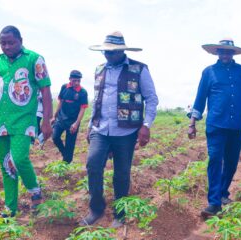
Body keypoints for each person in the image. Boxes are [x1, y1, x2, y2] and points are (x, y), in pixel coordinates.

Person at [0, 25, 53, 217]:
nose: (6, 46)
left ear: (21, 40)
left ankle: (35, 191)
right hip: (0, 122)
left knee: (20, 158)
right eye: (2, 43)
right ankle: (9, 209)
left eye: (11, 42)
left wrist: (47, 120)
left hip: (24, 120)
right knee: (7, 165)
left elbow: (45, 90)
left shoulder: (34, 59)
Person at [80, 31, 159, 228]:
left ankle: (120, 212)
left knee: (121, 173)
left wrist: (146, 126)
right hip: (101, 128)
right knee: (92, 165)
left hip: (126, 130)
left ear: (122, 50)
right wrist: (90, 125)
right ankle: (96, 208)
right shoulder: (100, 69)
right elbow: (97, 99)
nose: (108, 55)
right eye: (105, 51)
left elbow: (151, 99)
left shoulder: (139, 69)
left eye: (112, 52)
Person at [187, 38, 241, 218]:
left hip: (236, 124)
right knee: (215, 159)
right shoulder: (209, 72)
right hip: (215, 124)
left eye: (229, 51)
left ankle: (222, 192)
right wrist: (192, 123)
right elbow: (200, 98)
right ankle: (214, 203)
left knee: (231, 162)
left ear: (233, 53)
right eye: (222, 51)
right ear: (217, 53)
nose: (225, 54)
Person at [51, 70, 88, 164]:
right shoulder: (64, 87)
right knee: (55, 137)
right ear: (70, 79)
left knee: (70, 145)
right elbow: (61, 102)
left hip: (73, 122)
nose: (77, 83)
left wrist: (76, 123)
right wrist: (54, 116)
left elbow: (82, 109)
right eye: (75, 80)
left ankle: (66, 163)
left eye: (78, 81)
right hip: (61, 119)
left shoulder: (83, 92)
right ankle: (66, 155)